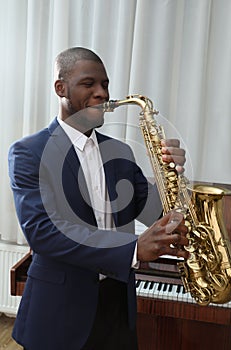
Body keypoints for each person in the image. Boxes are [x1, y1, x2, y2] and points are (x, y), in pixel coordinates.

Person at [8, 47, 189, 350]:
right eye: (88, 84)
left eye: (105, 84)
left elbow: (157, 211)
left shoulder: (120, 152)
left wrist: (171, 173)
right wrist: (132, 248)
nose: (102, 93)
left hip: (117, 309)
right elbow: (44, 233)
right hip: (58, 315)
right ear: (60, 88)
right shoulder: (28, 152)